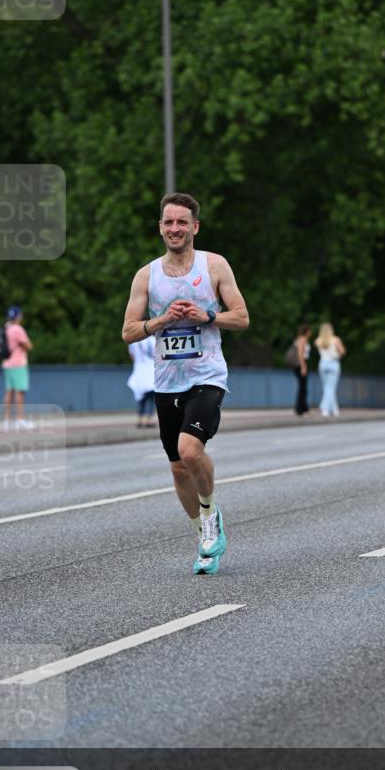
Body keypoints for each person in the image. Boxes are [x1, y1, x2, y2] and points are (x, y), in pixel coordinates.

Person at [121, 192, 249, 576]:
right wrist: (159, 322)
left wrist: (205, 315)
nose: (174, 229)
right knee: (177, 468)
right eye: (168, 222)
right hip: (166, 382)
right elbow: (128, 331)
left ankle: (210, 514)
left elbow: (241, 318)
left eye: (182, 222)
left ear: (195, 227)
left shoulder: (214, 266)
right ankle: (204, 534)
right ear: (160, 227)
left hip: (207, 376)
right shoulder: (148, 275)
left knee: (190, 450)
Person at [2, 305, 33, 429]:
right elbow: (29, 346)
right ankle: (20, 419)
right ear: (18, 316)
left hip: (7, 363)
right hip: (18, 363)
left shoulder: (6, 327)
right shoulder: (17, 329)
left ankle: (6, 419)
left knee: (9, 391)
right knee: (20, 392)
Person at [314, 321, 346, 417]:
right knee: (330, 388)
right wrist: (338, 355)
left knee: (327, 388)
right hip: (333, 363)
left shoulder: (318, 340)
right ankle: (325, 408)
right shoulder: (336, 340)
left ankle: (335, 410)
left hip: (323, 364)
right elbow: (342, 351)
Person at [127, 336, 156, 427]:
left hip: (139, 370)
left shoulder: (133, 340)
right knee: (151, 397)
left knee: (140, 397)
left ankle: (140, 419)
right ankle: (148, 420)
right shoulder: (152, 340)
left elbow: (132, 356)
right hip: (150, 369)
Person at [292, 324, 312, 416]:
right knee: (302, 387)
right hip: (301, 364)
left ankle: (304, 407)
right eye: (309, 331)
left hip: (299, 364)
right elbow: (300, 353)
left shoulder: (299, 339)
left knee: (303, 387)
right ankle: (300, 409)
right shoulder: (303, 339)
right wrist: (303, 366)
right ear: (306, 331)